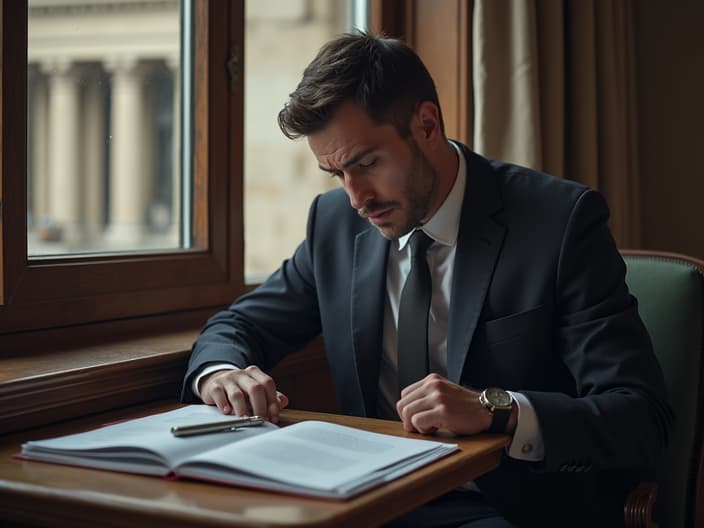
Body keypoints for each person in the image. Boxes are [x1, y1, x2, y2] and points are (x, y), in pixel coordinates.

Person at [181, 32, 672, 527]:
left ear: (427, 124)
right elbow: (240, 325)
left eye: (367, 163)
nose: (357, 198)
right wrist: (222, 372)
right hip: (366, 504)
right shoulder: (334, 224)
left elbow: (639, 416)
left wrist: (495, 409)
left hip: (508, 508)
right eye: (337, 174)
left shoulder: (560, 223)